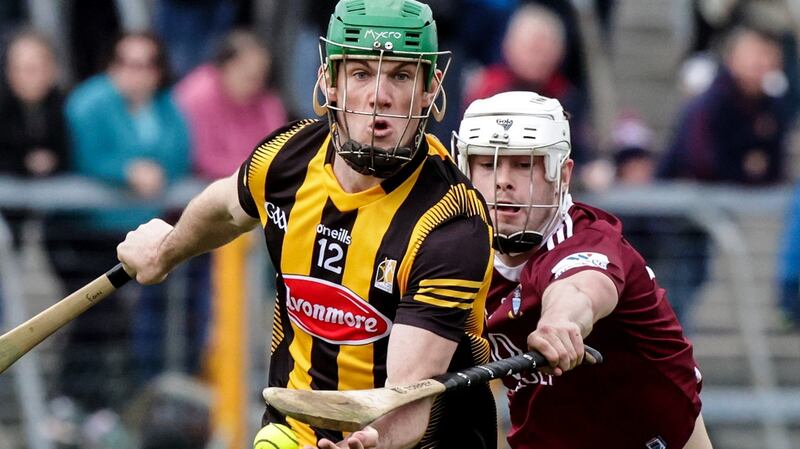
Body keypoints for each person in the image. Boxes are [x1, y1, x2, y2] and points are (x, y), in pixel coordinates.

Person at [117, 1, 496, 449]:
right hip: (294, 429)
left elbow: (408, 399)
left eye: (400, 75)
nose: (380, 95)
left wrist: (365, 443)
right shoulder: (287, 158)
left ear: (430, 90)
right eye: (360, 74)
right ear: (329, 83)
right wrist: (166, 251)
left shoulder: (452, 223)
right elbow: (223, 205)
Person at [453, 91, 713, 449]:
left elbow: (580, 288)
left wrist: (560, 324)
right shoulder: (456, 254)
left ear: (562, 173)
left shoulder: (587, 240)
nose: (503, 181)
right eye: (488, 164)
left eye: (524, 164)